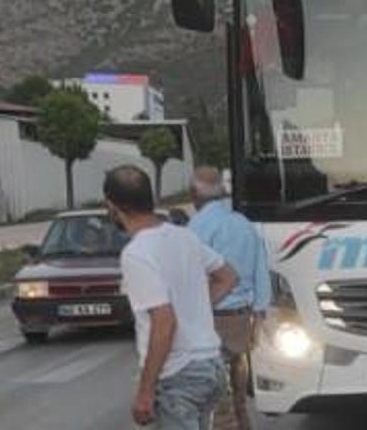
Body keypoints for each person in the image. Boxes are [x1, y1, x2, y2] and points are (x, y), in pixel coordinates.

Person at [104, 165, 236, 429]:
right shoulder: (184, 236)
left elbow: (164, 322)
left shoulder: (136, 254)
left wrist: (144, 391)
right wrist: (195, 310)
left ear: (111, 205)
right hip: (211, 365)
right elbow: (228, 277)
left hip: (179, 374)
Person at [187, 166, 272, 430]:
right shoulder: (243, 224)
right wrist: (258, 320)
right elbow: (262, 274)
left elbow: (190, 279)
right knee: (238, 400)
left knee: (218, 406)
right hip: (241, 322)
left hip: (211, 322)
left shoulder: (196, 228)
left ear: (194, 194)